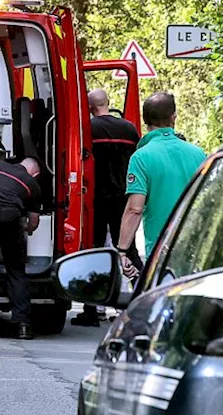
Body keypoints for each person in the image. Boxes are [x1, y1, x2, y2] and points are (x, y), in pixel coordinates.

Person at [116, 92, 206, 275]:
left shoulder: (141, 157)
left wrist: (123, 250)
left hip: (161, 249)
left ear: (145, 120)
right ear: (174, 117)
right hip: (194, 247)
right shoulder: (198, 154)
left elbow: (135, 209)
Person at [77, 89, 141, 326]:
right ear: (108, 103)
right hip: (123, 197)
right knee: (128, 248)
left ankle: (91, 310)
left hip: (95, 198)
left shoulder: (88, 130)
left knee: (93, 251)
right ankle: (142, 297)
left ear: (90, 106)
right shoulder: (129, 129)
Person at [0, 157, 42, 340]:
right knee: (16, 270)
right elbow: (34, 222)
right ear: (35, 174)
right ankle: (22, 324)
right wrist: (25, 230)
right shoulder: (32, 184)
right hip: (9, 217)